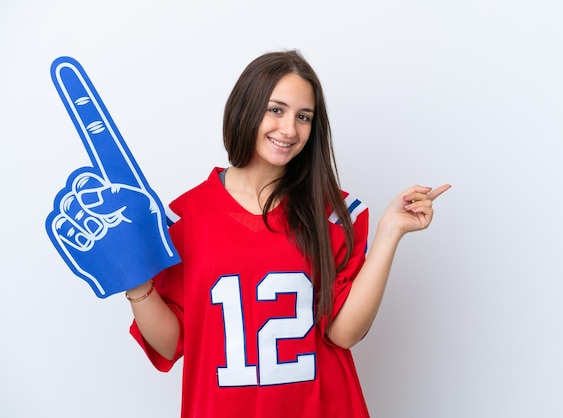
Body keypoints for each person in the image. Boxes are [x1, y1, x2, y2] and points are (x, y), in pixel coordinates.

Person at [126, 49, 450, 418]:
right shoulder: (182, 218)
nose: (289, 129)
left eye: (304, 117)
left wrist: (390, 233)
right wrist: (133, 280)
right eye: (275, 109)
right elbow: (172, 344)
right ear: (245, 108)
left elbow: (343, 334)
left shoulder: (333, 214)